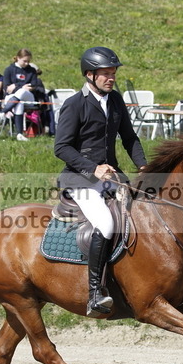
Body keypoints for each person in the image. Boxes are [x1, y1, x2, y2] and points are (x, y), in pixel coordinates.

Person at [54, 46, 147, 317]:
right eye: (106, 74)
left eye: (113, 73)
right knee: (105, 223)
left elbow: (129, 137)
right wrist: (93, 168)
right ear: (89, 75)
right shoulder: (75, 104)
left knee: (145, 212)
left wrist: (144, 166)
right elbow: (61, 147)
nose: (111, 78)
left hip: (111, 177)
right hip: (80, 179)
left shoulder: (115, 100)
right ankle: (95, 292)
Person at [0, 48, 45, 141]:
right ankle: (19, 134)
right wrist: (22, 86)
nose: (27, 63)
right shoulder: (9, 70)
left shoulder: (32, 70)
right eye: (24, 61)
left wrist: (16, 86)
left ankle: (2, 113)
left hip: (28, 97)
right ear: (18, 58)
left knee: (23, 92)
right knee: (19, 102)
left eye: (28, 61)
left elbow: (33, 85)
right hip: (12, 97)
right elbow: (7, 88)